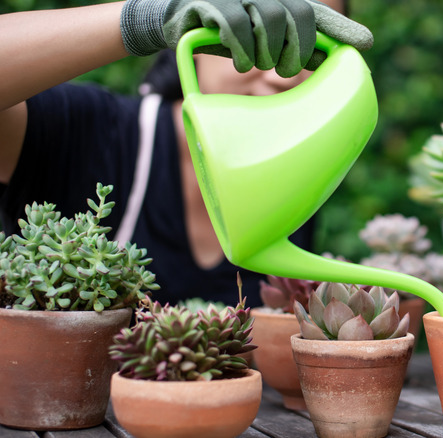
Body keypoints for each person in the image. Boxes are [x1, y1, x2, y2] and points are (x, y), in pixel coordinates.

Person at [0, 0, 373, 308]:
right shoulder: (91, 130)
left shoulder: (299, 176)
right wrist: (148, 19)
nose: (282, 75)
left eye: (310, 48)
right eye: (255, 35)